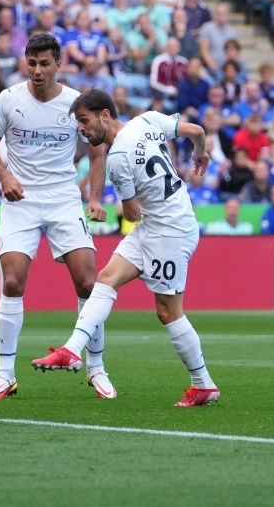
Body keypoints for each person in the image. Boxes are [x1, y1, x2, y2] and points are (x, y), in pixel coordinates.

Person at [34, 88, 221, 407]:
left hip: (169, 230)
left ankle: (203, 384)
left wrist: (114, 200)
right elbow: (197, 131)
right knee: (106, 279)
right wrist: (199, 152)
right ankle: (71, 351)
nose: (81, 129)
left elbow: (131, 214)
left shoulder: (117, 159)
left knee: (168, 312)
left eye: (84, 120)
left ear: (104, 115)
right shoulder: (147, 119)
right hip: (161, 222)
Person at [0, 34, 111, 402]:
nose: (37, 71)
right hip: (21, 201)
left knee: (88, 282)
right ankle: (5, 375)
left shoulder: (73, 104)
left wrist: (96, 197)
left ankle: (96, 368)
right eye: (31, 63)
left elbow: (97, 153)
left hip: (64, 199)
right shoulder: (9, 100)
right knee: (13, 282)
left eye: (44, 64)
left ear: (58, 65)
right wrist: (4, 176)